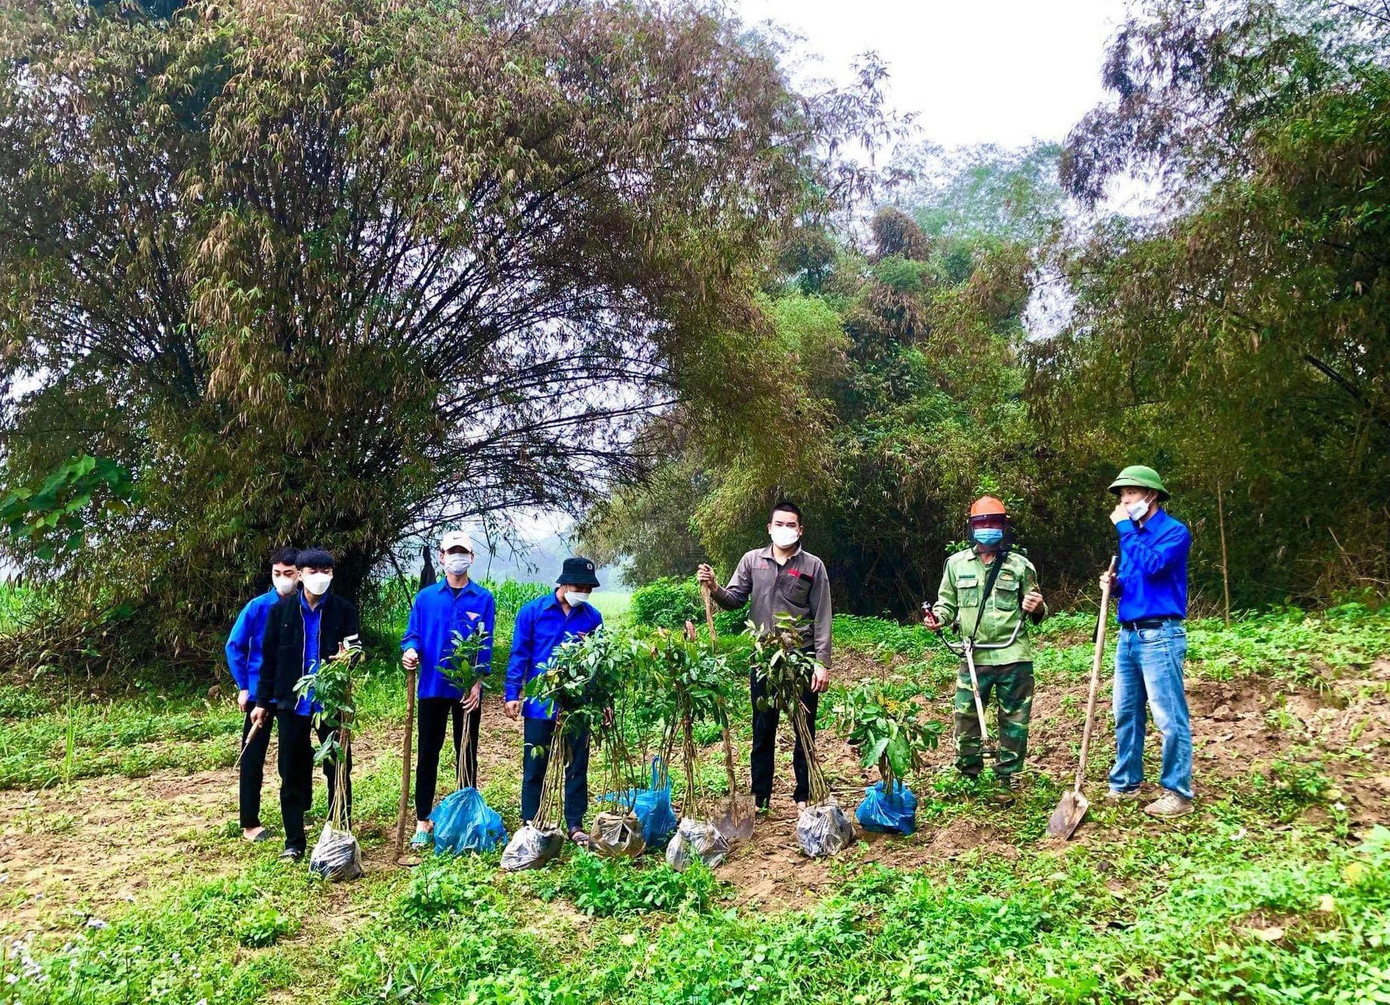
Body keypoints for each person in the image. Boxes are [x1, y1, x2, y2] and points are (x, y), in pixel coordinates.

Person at [697, 500, 832, 811]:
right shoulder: (751, 561)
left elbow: (823, 616)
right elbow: (733, 599)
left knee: (804, 728)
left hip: (800, 657)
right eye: (779, 524)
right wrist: (715, 587)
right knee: (762, 728)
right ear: (770, 528)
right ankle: (760, 797)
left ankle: (804, 794)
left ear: (800, 530)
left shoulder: (813, 566)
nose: (785, 530)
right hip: (764, 659)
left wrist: (822, 663)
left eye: (791, 525)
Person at [923, 497, 1046, 803]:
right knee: (965, 716)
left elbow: (1037, 608)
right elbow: (946, 604)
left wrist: (1037, 605)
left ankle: (1006, 778)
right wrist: (937, 619)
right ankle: (969, 775)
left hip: (1013, 654)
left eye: (994, 524)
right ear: (972, 528)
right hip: (973, 655)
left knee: (1014, 718)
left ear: (1004, 528)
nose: (988, 530)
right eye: (982, 524)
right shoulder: (956, 565)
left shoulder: (1020, 566)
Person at [251, 548, 361, 861]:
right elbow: (268, 660)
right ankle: (294, 841)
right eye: (312, 571)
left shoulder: (343, 610)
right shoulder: (280, 612)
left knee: (338, 768)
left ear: (332, 574)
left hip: (331, 704)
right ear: (299, 574)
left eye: (325, 570)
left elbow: (355, 650)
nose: (319, 577)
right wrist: (262, 701)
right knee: (292, 771)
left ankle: (340, 829)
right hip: (292, 705)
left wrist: (346, 660)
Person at [1101, 465, 1194, 818]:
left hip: (1161, 636)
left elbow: (1155, 566)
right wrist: (1114, 584)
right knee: (1126, 712)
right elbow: (1137, 580)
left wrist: (1125, 529)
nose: (1123, 502)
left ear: (1150, 496)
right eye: (1121, 496)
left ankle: (1178, 793)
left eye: (1130, 494)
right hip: (1128, 636)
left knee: (1168, 717)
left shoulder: (1174, 532)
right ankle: (1126, 782)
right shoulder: (1132, 536)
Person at [401, 530, 496, 848]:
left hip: (466, 691)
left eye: (463, 553)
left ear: (471, 558)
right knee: (428, 753)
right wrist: (411, 651)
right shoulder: (426, 598)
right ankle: (422, 820)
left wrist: (477, 683)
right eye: (451, 552)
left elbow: (486, 645)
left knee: (466, 751)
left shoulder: (483, 599)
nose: (457, 558)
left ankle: (465, 814)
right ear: (441, 557)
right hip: (432, 688)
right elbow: (412, 634)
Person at [504, 557, 603, 845]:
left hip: (578, 704)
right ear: (564, 583)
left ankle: (575, 824)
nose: (584, 592)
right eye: (580, 586)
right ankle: (531, 822)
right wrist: (512, 694)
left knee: (577, 765)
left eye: (589, 587)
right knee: (535, 765)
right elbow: (519, 655)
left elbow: (597, 662)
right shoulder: (533, 612)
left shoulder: (592, 617)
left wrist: (600, 701)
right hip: (540, 704)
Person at [225, 547, 300, 842]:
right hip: (260, 693)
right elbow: (235, 646)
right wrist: (244, 686)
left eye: (289, 574)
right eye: (277, 574)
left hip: (294, 695)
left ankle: (295, 812)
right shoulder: (257, 607)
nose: (283, 579)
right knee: (253, 756)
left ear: (300, 575)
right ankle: (249, 822)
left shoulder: (305, 607)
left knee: (293, 756)